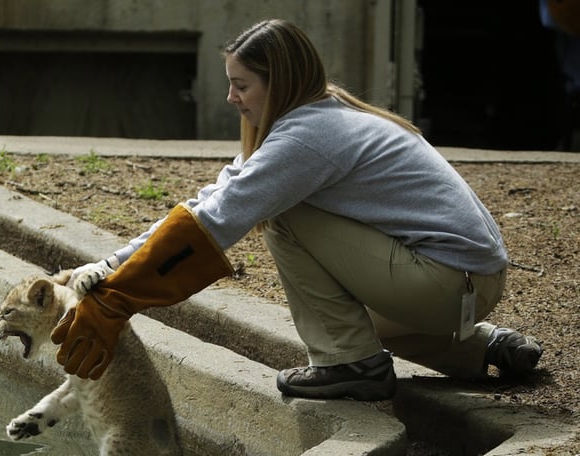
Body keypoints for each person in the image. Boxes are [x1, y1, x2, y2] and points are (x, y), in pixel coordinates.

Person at [51, 19, 543, 401]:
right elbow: (209, 199)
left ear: (278, 81)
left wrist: (117, 297)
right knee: (348, 322)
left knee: (284, 217)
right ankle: (486, 347)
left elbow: (216, 221)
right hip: (465, 285)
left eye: (241, 84)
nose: (230, 97)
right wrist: (110, 266)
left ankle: (352, 367)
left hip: (448, 284)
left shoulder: (307, 138)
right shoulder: (316, 118)